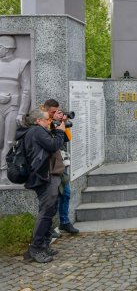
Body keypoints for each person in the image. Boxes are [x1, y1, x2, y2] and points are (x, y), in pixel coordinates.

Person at [15, 108, 66, 263]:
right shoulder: (37, 131)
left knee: (48, 211)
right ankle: (36, 249)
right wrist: (60, 132)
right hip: (44, 177)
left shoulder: (35, 131)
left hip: (45, 175)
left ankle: (42, 245)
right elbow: (52, 146)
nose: (49, 121)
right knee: (45, 213)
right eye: (46, 119)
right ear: (38, 121)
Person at [0, 34, 31, 182]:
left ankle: (5, 172)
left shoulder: (21, 63)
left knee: (9, 141)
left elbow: (26, 89)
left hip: (13, 108)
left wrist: (22, 112)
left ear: (6, 49)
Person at [49, 107, 79, 234]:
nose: (61, 115)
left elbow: (67, 139)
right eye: (58, 113)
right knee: (51, 197)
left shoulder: (59, 125)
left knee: (66, 193)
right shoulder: (48, 126)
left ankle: (64, 222)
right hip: (51, 165)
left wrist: (63, 125)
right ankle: (48, 228)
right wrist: (56, 124)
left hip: (61, 165)